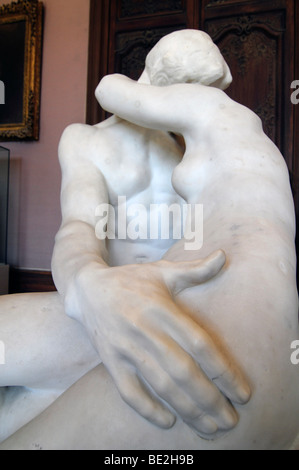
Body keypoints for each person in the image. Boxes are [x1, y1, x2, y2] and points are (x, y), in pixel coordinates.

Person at [0, 29, 298, 450]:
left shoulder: (192, 155)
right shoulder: (87, 139)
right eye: (202, 89)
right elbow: (80, 227)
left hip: (180, 310)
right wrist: (88, 281)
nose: (210, 100)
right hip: (99, 310)